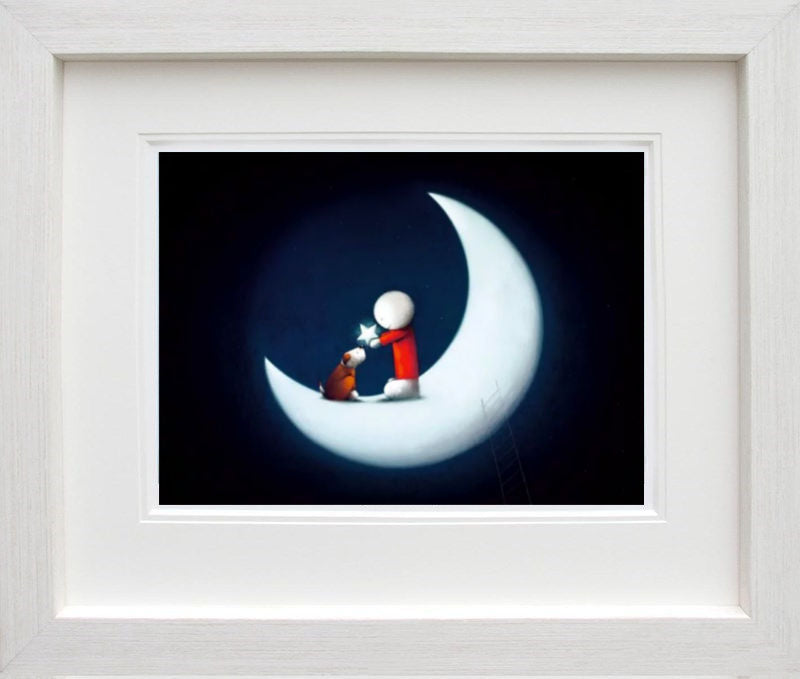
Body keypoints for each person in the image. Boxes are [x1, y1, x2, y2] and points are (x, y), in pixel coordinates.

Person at [368, 290, 420, 399]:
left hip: (408, 376)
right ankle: (403, 384)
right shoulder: (403, 330)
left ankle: (406, 387)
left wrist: (379, 341)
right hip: (404, 374)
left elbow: (391, 337)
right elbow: (391, 334)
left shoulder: (403, 331)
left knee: (391, 389)